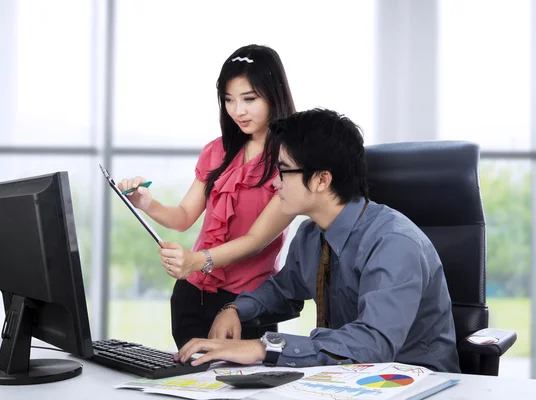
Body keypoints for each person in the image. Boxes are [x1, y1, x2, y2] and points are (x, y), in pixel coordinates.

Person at [174, 108, 461, 373]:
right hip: (347, 381)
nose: (275, 183)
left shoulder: (394, 243)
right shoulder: (312, 235)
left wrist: (264, 347)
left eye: (283, 171)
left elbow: (374, 344)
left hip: (416, 382)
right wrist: (235, 309)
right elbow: (282, 291)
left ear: (322, 180)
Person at [118, 44, 297, 349]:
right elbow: (184, 217)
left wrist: (196, 260)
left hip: (246, 306)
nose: (237, 110)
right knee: (191, 389)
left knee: (243, 392)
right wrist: (147, 203)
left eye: (249, 99)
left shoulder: (292, 160)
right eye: (228, 100)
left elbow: (256, 240)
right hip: (192, 295)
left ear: (275, 93)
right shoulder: (218, 150)